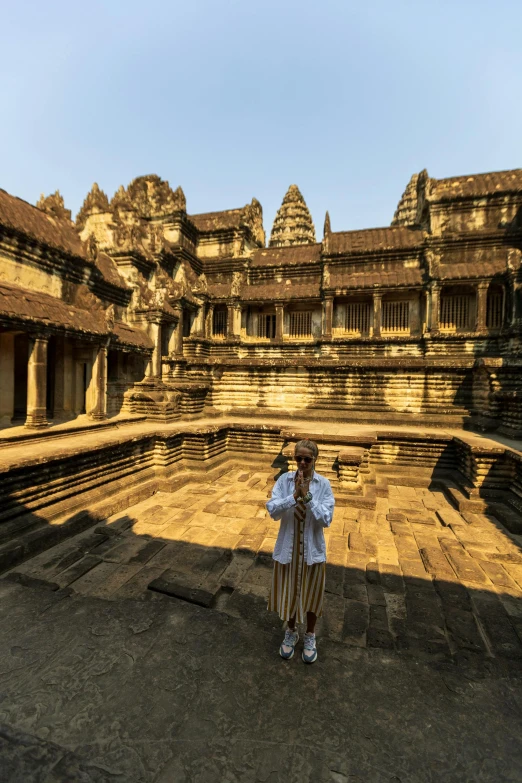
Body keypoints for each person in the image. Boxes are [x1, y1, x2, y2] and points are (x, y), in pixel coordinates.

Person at [266, 439, 335, 663]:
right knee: (290, 593)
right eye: (299, 458)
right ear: (294, 459)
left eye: (307, 459)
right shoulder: (285, 481)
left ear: (315, 459)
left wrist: (308, 497)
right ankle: (291, 631)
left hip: (312, 550)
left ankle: (310, 635)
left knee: (312, 595)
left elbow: (327, 519)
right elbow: (273, 510)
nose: (303, 463)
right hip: (289, 548)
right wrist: (294, 496)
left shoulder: (323, 484)